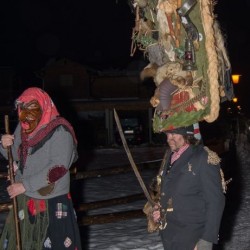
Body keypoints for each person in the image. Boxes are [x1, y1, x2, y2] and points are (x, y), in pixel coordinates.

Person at [0, 87, 82, 250]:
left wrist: (24, 185)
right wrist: (4, 145)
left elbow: (57, 169)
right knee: (28, 244)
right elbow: (16, 155)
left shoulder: (60, 131)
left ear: (43, 107)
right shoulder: (24, 128)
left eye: (32, 109)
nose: (27, 116)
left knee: (57, 245)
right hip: (28, 200)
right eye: (22, 109)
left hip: (53, 200)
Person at [152, 124, 225, 250]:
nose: (169, 138)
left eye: (174, 134)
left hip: (193, 236)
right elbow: (170, 189)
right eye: (167, 134)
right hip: (170, 235)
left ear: (187, 134)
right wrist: (161, 208)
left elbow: (215, 201)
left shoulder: (203, 157)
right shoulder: (170, 156)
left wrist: (206, 240)